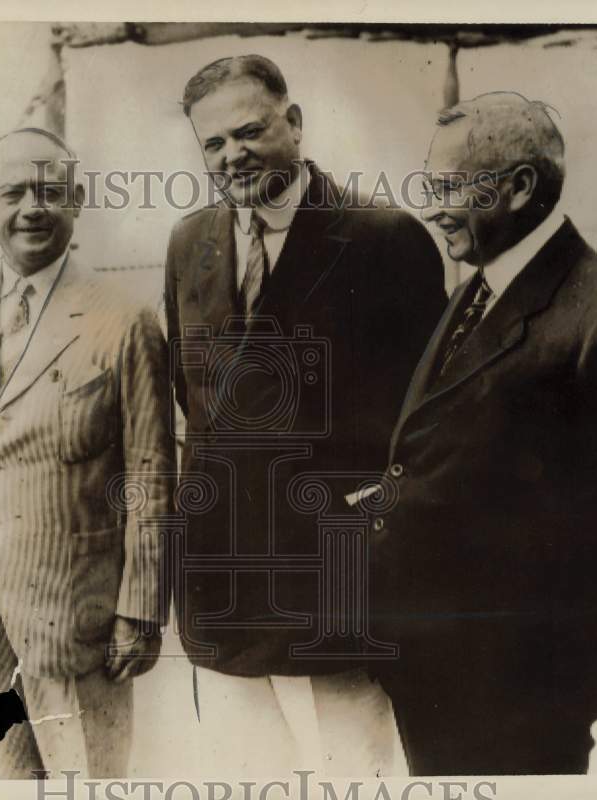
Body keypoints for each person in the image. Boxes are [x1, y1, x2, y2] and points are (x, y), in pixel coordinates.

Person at [374, 92, 597, 774]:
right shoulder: (485, 280)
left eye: (448, 188)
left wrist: (471, 528)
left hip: (520, 687)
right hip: (441, 669)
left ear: (519, 188)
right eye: (427, 186)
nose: (432, 206)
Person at [163, 55, 446, 776]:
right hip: (221, 573)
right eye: (214, 145)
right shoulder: (189, 242)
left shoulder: (385, 238)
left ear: (294, 123)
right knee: (245, 768)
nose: (235, 154)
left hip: (336, 574)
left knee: (357, 764)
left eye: (250, 130)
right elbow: (188, 395)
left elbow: (431, 419)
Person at [0, 128, 175, 778]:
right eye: (12, 192)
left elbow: (153, 474)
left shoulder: (124, 319)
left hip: (81, 620)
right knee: (3, 785)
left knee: (92, 783)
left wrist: (141, 609)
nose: (32, 208)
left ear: (77, 200)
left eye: (50, 191)